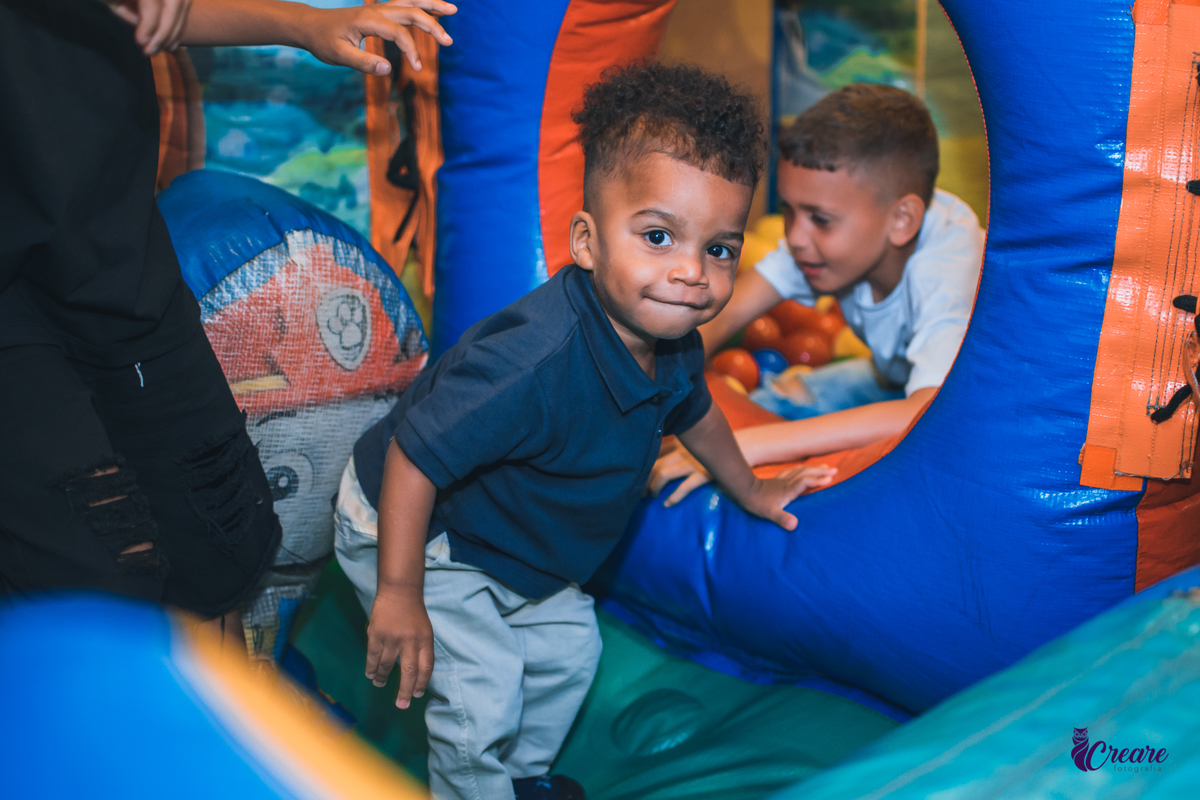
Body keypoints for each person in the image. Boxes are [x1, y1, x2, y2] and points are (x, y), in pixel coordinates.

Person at [333, 63, 836, 800]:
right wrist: (400, 591)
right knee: (485, 690)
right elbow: (415, 456)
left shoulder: (674, 345)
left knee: (571, 650)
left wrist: (752, 488)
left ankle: (520, 780)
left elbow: (695, 414)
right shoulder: (530, 361)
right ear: (588, 241)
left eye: (720, 248)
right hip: (412, 529)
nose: (693, 272)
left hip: (511, 546)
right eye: (660, 236)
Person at [0, 0, 454, 636]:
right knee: (95, 573)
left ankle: (221, 721)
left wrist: (307, 27)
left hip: (118, 263)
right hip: (17, 309)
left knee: (218, 537)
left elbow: (164, 14)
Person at [650, 83, 985, 505]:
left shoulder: (946, 268)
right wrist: (654, 383)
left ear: (902, 219)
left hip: (967, 405)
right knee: (775, 398)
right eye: (788, 210)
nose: (796, 236)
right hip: (891, 377)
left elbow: (925, 410)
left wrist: (747, 448)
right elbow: (726, 315)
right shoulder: (820, 244)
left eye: (820, 219)